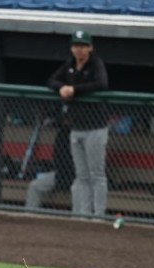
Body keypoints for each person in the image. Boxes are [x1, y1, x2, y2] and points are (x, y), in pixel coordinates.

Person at [47, 30, 109, 217]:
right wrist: (62, 88)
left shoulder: (96, 63)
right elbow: (51, 80)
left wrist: (74, 90)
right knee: (82, 175)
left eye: (83, 46)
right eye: (76, 46)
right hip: (76, 127)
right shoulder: (70, 64)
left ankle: (99, 215)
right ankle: (84, 214)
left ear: (90, 48)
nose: (79, 50)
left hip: (95, 127)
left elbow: (101, 84)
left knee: (97, 174)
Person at [24, 117, 74, 210]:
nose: (66, 121)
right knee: (34, 185)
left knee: (79, 189)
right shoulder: (62, 134)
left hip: (79, 178)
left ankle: (79, 218)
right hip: (60, 175)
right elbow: (57, 160)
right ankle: (29, 216)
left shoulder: (81, 135)